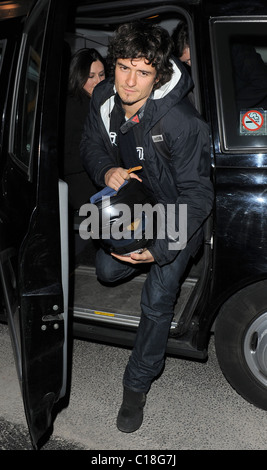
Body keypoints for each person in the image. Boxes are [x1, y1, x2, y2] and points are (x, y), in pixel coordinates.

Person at [80, 21, 214, 433]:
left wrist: (159, 250)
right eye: (123, 67)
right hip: (140, 199)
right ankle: (140, 254)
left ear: (158, 73)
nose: (129, 81)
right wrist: (107, 170)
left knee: (156, 299)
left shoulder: (180, 121)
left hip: (178, 212)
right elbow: (90, 143)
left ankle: (135, 387)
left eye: (142, 72)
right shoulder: (104, 97)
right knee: (106, 270)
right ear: (112, 64)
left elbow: (198, 197)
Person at [64, 48, 106, 210]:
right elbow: (65, 157)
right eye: (91, 76)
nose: (98, 81)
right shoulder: (72, 106)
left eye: (101, 75)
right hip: (81, 190)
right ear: (78, 76)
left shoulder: (100, 103)